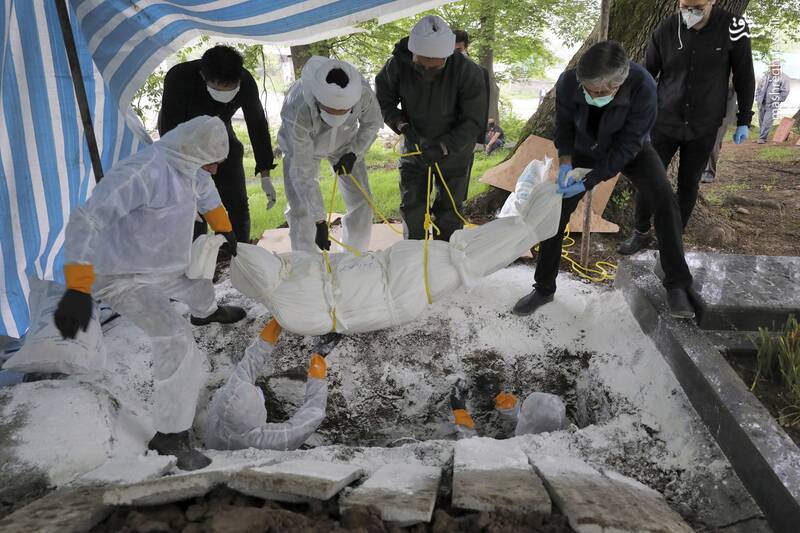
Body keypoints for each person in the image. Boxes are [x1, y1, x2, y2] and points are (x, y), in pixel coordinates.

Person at [54, 116, 247, 471]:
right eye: (212, 162)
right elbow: (87, 219)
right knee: (174, 337)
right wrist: (78, 286)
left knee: (200, 279)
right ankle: (170, 436)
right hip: (122, 275)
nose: (215, 170)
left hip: (164, 267)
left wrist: (225, 229)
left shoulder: (193, 168)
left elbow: (208, 195)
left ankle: (206, 313)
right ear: (193, 152)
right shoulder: (143, 172)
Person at [512, 41, 696, 318]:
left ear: (619, 82)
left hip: (631, 150)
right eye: (587, 89)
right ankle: (544, 288)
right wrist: (566, 162)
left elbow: (629, 145)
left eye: (601, 92)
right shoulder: (568, 82)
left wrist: (590, 181)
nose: (592, 95)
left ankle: (677, 284)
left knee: (664, 200)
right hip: (584, 148)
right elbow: (563, 127)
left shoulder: (643, 85)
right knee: (555, 210)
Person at [618, 0, 755, 255]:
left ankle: (673, 237)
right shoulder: (667, 28)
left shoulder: (733, 27)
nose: (690, 12)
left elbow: (744, 75)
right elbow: (647, 74)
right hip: (664, 120)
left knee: (689, 183)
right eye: (685, 6)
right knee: (648, 178)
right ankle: (641, 232)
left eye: (697, 7)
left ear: (712, 1)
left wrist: (744, 119)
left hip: (704, 123)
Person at [376, 16, 488, 242]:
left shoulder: (468, 71)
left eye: (435, 67)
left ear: (448, 55)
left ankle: (444, 256)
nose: (427, 72)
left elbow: (474, 119)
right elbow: (384, 101)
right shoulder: (397, 65)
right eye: (421, 65)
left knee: (450, 211)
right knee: (412, 208)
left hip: (455, 151)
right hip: (414, 147)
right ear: (413, 53)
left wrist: (444, 146)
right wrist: (403, 126)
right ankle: (414, 255)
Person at [159, 45, 276, 244]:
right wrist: (187, 175)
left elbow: (257, 124)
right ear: (204, 77)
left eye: (232, 87)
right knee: (195, 208)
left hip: (221, 133)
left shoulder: (245, 80)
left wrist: (265, 172)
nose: (227, 93)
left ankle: (239, 253)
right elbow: (170, 132)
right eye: (220, 88)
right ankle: (200, 254)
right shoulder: (179, 77)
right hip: (184, 139)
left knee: (238, 204)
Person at [278, 57, 382, 253]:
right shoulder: (298, 105)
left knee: (362, 201)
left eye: (343, 112)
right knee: (301, 207)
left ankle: (354, 254)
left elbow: (372, 123)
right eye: (329, 111)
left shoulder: (362, 93)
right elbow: (302, 171)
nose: (335, 118)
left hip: (346, 145)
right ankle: (307, 259)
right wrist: (319, 220)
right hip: (304, 148)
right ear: (317, 100)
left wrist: (355, 152)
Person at [205, 318, 334, 450]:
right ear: (254, 418)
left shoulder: (227, 400)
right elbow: (313, 414)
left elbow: (250, 361)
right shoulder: (260, 441)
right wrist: (318, 362)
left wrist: (277, 323)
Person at [449, 379, 569, 439]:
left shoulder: (521, 450)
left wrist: (460, 411)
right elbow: (519, 417)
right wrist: (499, 396)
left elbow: (473, 448)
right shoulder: (557, 429)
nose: (522, 413)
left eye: (527, 414)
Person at [701, 82, 737, 184]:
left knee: (714, 141)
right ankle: (702, 168)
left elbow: (741, 86)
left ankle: (709, 172)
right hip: (704, 107)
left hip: (724, 110)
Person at [755, 59, 791, 144]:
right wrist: (757, 97)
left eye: (776, 67)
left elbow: (785, 92)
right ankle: (761, 137)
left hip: (772, 104)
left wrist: (777, 100)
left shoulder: (784, 77)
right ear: (770, 67)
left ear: (779, 67)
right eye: (772, 67)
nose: (774, 68)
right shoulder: (765, 75)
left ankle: (762, 138)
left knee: (767, 121)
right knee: (761, 120)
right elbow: (759, 87)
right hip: (761, 102)